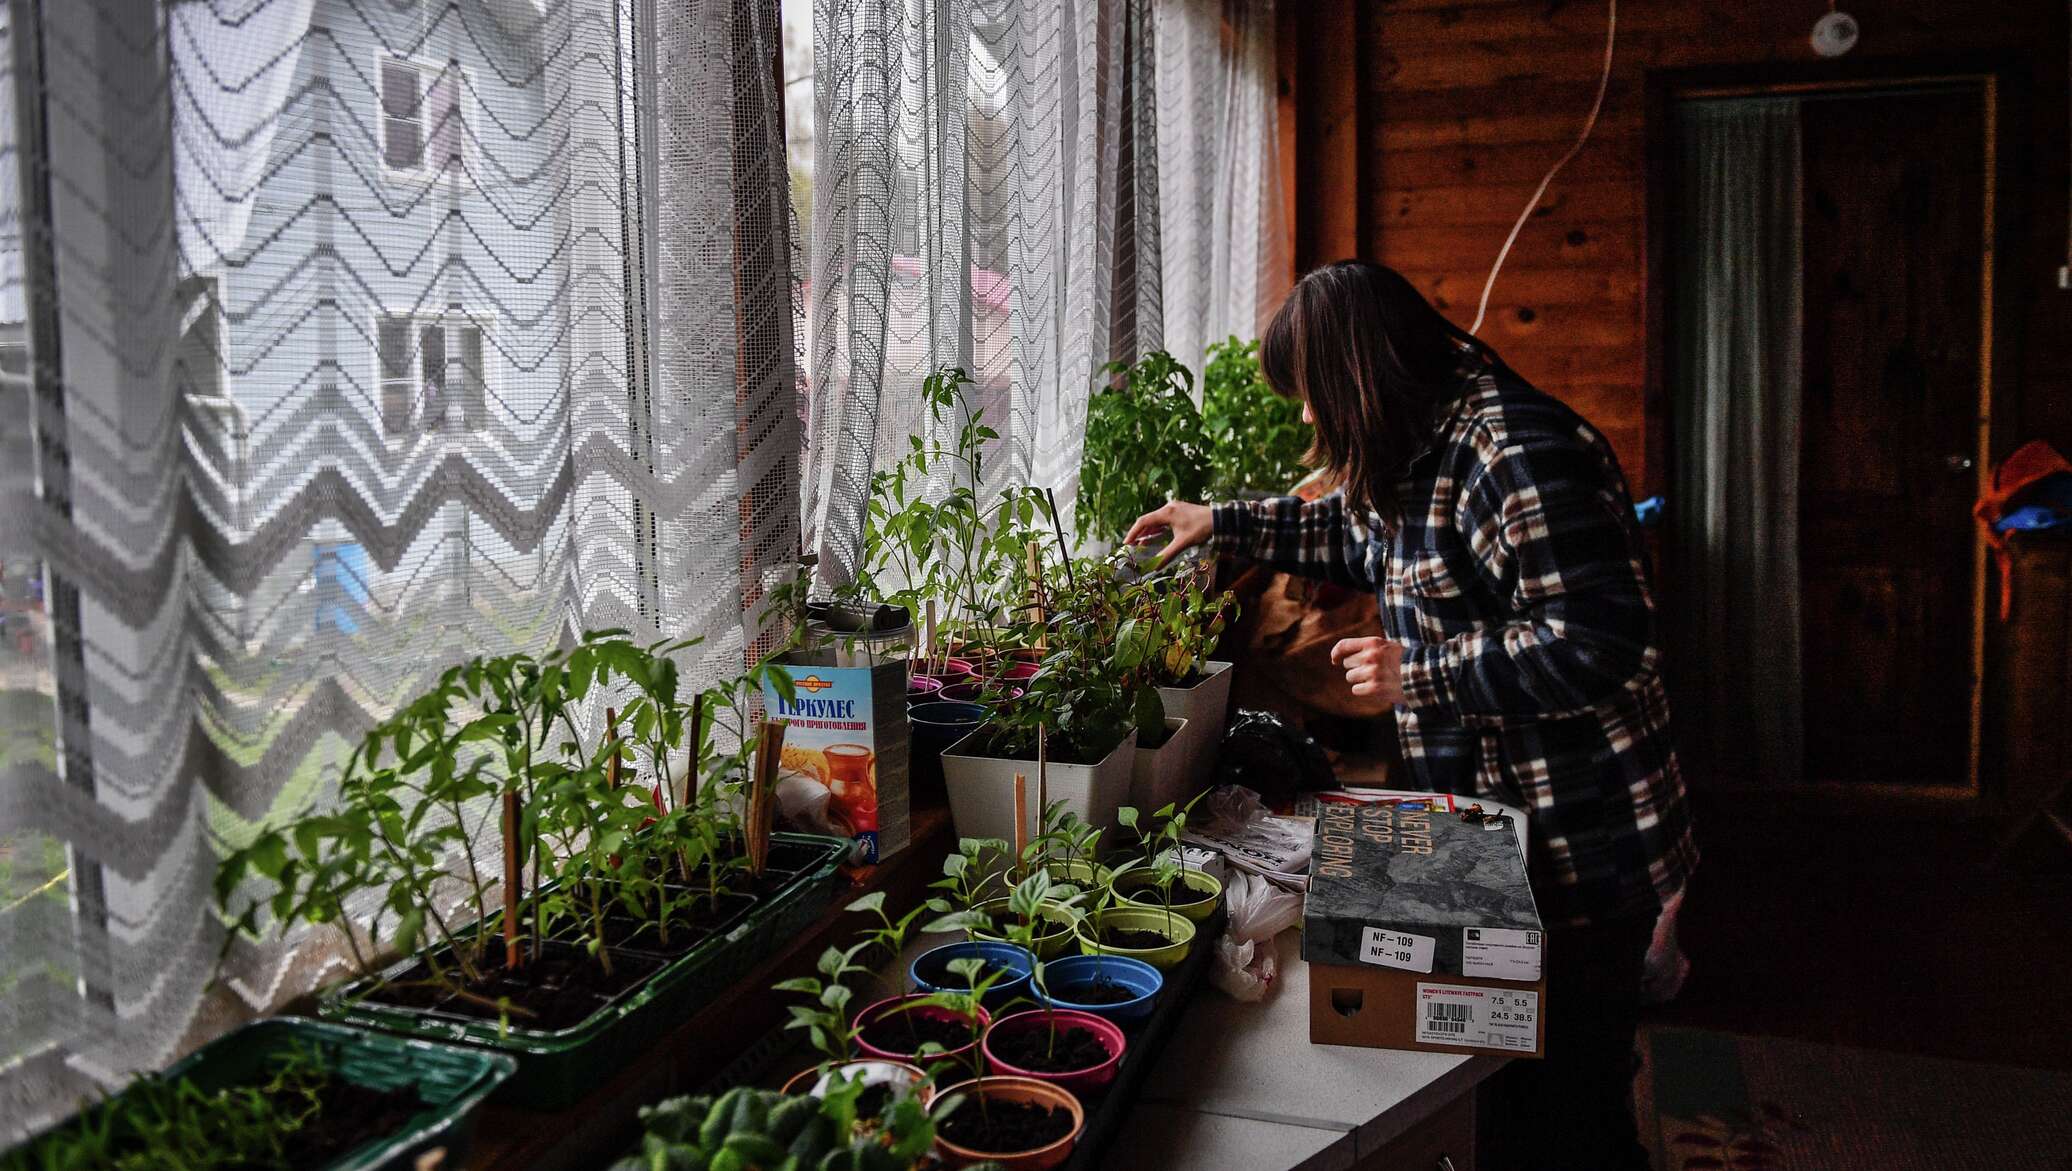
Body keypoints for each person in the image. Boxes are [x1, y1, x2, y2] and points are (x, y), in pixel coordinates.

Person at [1126, 260, 1696, 1171]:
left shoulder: (1515, 450)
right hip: (1498, 840)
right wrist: (1220, 521)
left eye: (1311, 396)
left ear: (1358, 377)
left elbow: (1603, 641)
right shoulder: (1420, 449)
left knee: (1574, 1113)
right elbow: (1350, 538)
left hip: (1584, 849)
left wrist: (1419, 673)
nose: (1307, 419)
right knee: (1509, 1094)